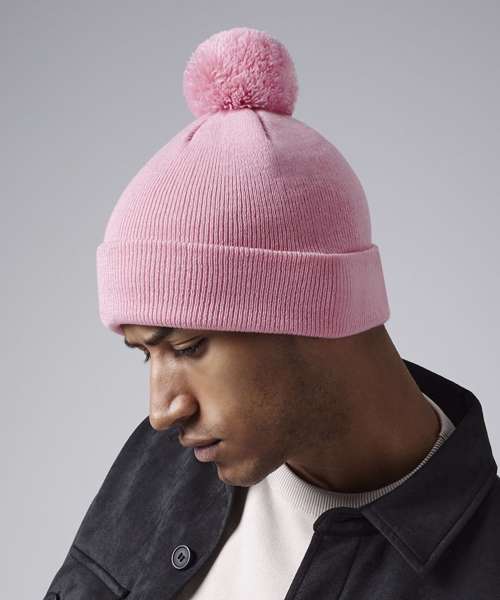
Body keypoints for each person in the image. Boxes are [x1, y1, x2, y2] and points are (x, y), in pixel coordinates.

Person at [43, 26, 500, 600]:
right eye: (145, 355)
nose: (162, 412)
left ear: (315, 311)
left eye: (187, 347)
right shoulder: (160, 463)